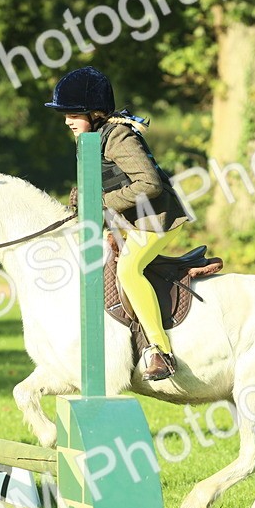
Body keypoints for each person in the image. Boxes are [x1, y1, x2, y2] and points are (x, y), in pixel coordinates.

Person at [45, 66, 191, 381]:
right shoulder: (93, 138)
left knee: (128, 270)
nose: (66, 120)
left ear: (95, 113)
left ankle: (161, 351)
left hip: (156, 221)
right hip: (131, 223)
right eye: (65, 114)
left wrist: (101, 203)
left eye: (73, 113)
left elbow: (149, 185)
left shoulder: (119, 137)